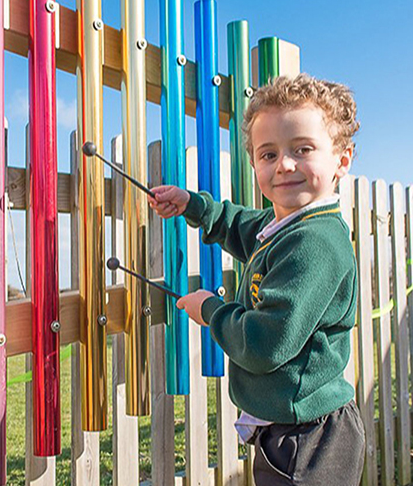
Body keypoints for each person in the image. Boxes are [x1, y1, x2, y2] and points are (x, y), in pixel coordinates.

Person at [148, 74, 365, 486]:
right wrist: (192, 205)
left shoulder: (314, 243)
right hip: (294, 427)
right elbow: (241, 226)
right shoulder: (287, 225)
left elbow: (266, 344)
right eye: (269, 154)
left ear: (342, 159)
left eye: (302, 149)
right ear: (254, 164)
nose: (284, 164)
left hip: (308, 439)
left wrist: (211, 311)